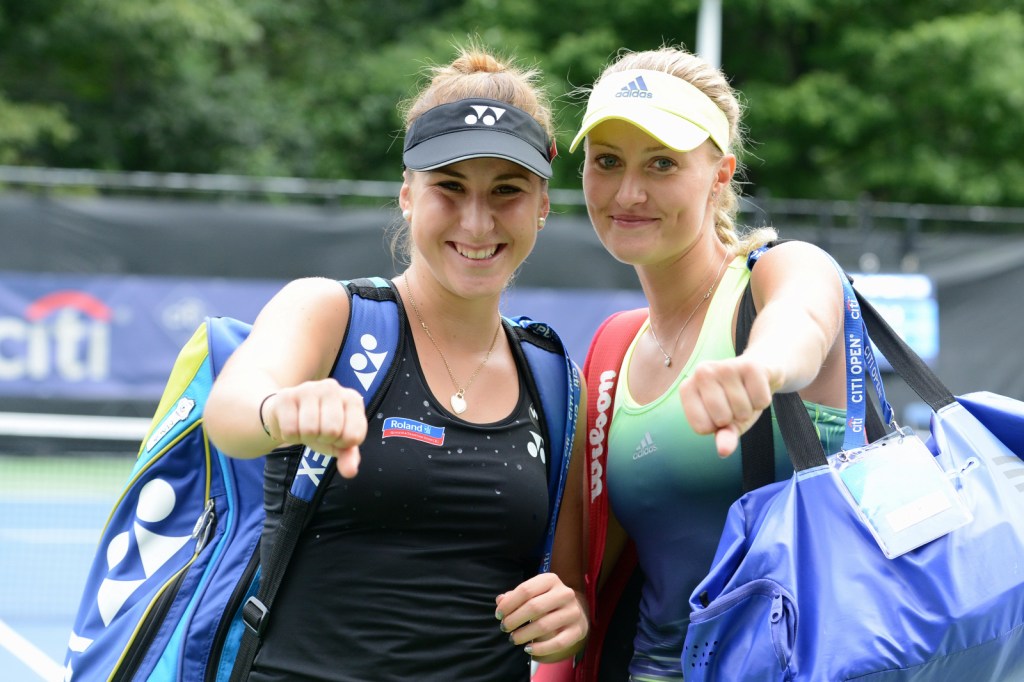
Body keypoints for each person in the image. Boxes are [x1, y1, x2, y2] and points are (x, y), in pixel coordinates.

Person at [204, 45, 588, 681]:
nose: (477, 219)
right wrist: (283, 409)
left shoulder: (552, 377)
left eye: (507, 191)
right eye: (450, 187)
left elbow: (566, 588)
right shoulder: (331, 313)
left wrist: (566, 620)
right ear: (407, 195)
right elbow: (230, 412)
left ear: (542, 207)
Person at [566, 46, 850, 680]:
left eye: (662, 163)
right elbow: (597, 570)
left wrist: (762, 370)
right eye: (606, 162)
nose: (628, 192)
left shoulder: (780, 271)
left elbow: (802, 320)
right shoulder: (613, 347)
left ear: (721, 174)